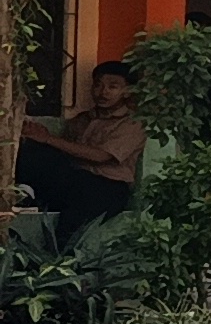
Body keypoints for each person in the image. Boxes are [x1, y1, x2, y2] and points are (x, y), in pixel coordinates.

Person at [15, 60, 144, 236]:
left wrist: (48, 139)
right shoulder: (82, 119)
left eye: (112, 87)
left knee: (71, 224)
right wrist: (37, 136)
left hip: (108, 187)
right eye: (97, 85)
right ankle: (23, 195)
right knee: (32, 149)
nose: (103, 92)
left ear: (128, 91)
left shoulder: (133, 123)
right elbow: (63, 152)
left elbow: (101, 156)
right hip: (74, 180)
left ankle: (62, 251)